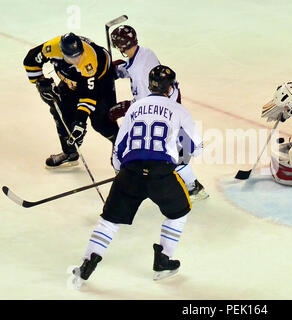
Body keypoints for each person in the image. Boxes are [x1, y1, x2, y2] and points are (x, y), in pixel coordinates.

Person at [72, 65, 203, 285]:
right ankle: (163, 260)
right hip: (161, 173)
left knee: (108, 222)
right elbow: (194, 147)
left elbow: (119, 148)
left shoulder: (135, 107)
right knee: (179, 212)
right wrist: (178, 158)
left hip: (129, 172)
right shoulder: (178, 110)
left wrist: (121, 172)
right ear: (170, 88)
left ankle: (87, 262)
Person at [108, 25, 208, 202]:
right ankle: (192, 184)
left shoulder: (140, 74)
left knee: (170, 150)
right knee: (178, 148)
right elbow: (138, 71)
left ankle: (191, 185)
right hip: (171, 102)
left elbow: (144, 104)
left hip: (163, 110)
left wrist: (124, 107)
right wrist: (121, 70)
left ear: (120, 48)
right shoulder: (145, 52)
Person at [23, 33, 119, 168]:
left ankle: (121, 147)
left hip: (100, 81)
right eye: (72, 57)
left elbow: (89, 95)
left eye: (78, 55)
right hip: (71, 81)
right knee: (60, 111)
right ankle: (70, 153)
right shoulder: (51, 48)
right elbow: (30, 59)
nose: (77, 60)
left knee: (101, 122)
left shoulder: (88, 62)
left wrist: (80, 121)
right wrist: (40, 82)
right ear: (62, 52)